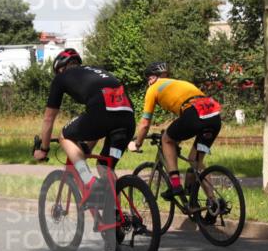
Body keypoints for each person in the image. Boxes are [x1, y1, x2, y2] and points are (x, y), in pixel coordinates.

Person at [33, 48, 135, 205]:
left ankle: (89, 181)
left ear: (61, 68)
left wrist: (44, 149)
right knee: (105, 167)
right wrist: (87, 147)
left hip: (102, 114)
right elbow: (104, 117)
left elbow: (48, 118)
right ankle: (117, 218)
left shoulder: (61, 77)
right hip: (127, 119)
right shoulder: (97, 71)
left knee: (64, 136)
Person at [128, 62, 222, 206]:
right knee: (195, 161)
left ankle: (175, 184)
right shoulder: (180, 83)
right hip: (214, 115)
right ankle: (213, 203)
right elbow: (185, 116)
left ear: (153, 78)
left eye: (148, 79)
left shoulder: (152, 89)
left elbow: (145, 123)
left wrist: (137, 143)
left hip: (194, 114)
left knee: (166, 140)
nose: (148, 82)